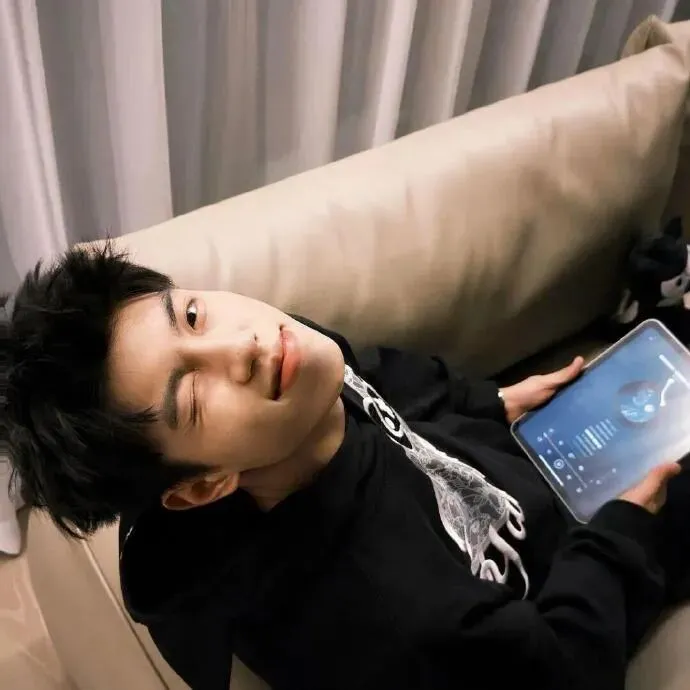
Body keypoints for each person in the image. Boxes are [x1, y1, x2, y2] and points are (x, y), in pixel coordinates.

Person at [1, 243, 688, 690]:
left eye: (191, 315)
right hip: (582, 561)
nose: (243, 345)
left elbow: (387, 378)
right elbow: (563, 673)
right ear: (204, 484)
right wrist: (622, 535)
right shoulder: (386, 617)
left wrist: (491, 400)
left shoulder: (296, 368)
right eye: (192, 397)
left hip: (534, 461)